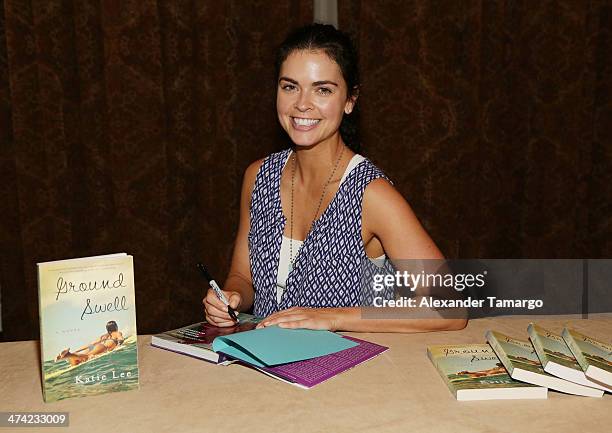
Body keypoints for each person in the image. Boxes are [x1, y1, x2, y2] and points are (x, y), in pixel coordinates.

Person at [203, 24, 467, 333]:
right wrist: (230, 298)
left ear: (350, 100)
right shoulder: (257, 176)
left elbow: (450, 308)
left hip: (345, 375)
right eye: (290, 86)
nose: (302, 103)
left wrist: (331, 317)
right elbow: (243, 277)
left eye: (322, 89)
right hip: (263, 368)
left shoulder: (371, 194)